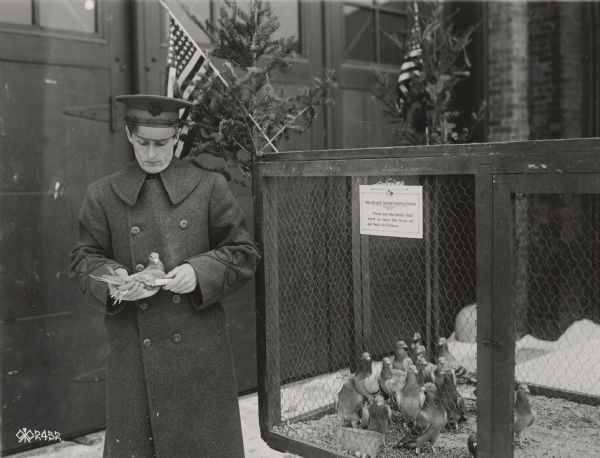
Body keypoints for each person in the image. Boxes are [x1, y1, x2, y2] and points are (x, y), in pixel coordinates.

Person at [69, 94, 261, 458]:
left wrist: (197, 271)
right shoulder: (103, 193)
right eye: (142, 143)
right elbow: (83, 260)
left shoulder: (209, 187)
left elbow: (243, 252)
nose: (152, 153)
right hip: (134, 358)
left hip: (198, 356)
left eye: (161, 143)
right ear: (129, 135)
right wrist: (117, 280)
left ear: (178, 136)